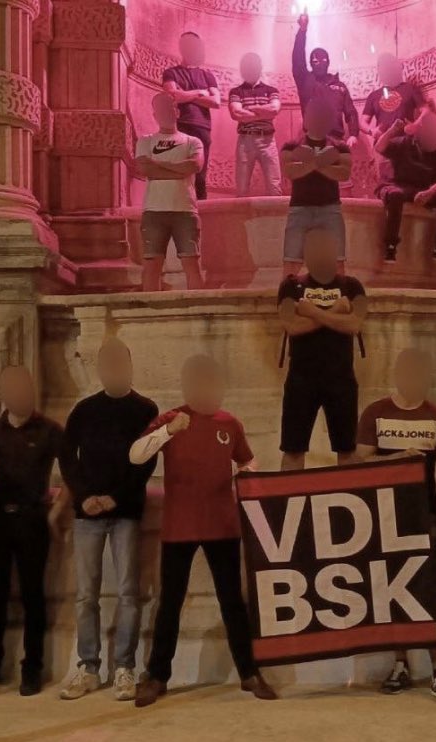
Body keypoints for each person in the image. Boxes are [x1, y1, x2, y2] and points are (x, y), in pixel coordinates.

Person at [128, 354, 277, 707]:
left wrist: (248, 473)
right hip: (179, 526)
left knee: (233, 602)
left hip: (222, 524)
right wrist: (167, 431)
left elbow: (248, 460)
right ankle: (158, 676)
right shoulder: (171, 419)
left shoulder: (231, 423)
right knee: (170, 603)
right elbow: (135, 455)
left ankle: (250, 673)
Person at [354, 348, 436, 707]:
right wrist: (399, 457)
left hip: (424, 517)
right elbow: (359, 463)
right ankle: (400, 663)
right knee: (391, 593)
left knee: (430, 593)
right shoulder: (375, 413)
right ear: (396, 372)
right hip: (383, 519)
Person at [58, 337, 158, 702]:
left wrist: (117, 497)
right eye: (108, 364)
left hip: (126, 512)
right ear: (99, 369)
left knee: (130, 592)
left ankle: (124, 667)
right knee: (86, 594)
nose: (114, 370)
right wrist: (86, 497)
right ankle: (87, 666)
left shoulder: (145, 408)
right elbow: (68, 457)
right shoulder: (84, 410)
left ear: (130, 367)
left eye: (121, 363)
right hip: (88, 513)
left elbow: (147, 460)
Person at [0, 366, 67, 697]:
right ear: (4, 396)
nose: (22, 395)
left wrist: (55, 515)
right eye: (14, 390)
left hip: (33, 519)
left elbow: (72, 477)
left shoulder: (50, 430)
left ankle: (32, 668)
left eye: (27, 388)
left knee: (33, 594)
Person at [277, 227, 367, 471]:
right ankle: (289, 502)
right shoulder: (291, 286)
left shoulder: (352, 286)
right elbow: (292, 326)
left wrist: (312, 312)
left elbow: (354, 324)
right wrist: (335, 311)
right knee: (293, 449)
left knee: (347, 450)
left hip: (342, 379)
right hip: (301, 379)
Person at [135, 92, 205, 292]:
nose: (165, 111)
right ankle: (151, 316)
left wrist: (158, 164)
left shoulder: (193, 141)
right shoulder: (145, 141)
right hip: (154, 210)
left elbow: (194, 166)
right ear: (155, 114)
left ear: (177, 111)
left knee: (192, 265)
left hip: (185, 209)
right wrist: (177, 170)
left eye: (169, 106)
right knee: (151, 266)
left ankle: (198, 312)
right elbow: (144, 169)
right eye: (160, 108)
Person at [375, 110, 436, 266]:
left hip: (420, 191)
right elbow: (380, 147)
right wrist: (392, 131)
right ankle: (390, 246)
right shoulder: (403, 143)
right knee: (395, 195)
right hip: (394, 186)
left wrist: (429, 193)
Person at [280, 98, 352, 275]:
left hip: (330, 208)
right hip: (300, 209)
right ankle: (287, 300)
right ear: (306, 119)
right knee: (291, 263)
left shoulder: (340, 146)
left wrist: (308, 161)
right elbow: (290, 172)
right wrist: (323, 161)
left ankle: (337, 301)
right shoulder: (291, 145)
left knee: (337, 263)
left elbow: (344, 173)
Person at [162, 31, 220, 200]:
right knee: (179, 174)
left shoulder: (208, 75)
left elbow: (216, 101)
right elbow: (172, 96)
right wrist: (199, 94)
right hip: (180, 126)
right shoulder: (171, 73)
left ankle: (203, 218)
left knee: (200, 177)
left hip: (202, 129)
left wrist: (185, 95)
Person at [292, 12, 359, 146]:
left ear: (328, 62)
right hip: (312, 141)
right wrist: (302, 30)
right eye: (315, 61)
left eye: (323, 60)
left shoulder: (340, 86)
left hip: (336, 141)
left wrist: (353, 134)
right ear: (311, 64)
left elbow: (350, 112)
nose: (319, 63)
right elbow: (298, 58)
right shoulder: (305, 80)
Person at [228, 52, 282, 197]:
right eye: (246, 66)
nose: (250, 68)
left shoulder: (271, 90)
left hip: (268, 140)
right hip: (245, 141)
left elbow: (274, 110)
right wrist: (262, 112)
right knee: (242, 188)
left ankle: (275, 220)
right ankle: (241, 220)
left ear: (259, 67)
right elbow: (236, 114)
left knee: (274, 186)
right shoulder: (236, 91)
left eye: (253, 65)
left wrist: (249, 109)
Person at [361, 53, 426, 141]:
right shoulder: (373, 96)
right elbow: (362, 122)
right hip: (383, 146)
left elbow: (426, 111)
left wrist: (416, 125)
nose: (385, 70)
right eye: (382, 67)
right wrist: (372, 131)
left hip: (407, 144)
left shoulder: (410, 88)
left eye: (388, 66)